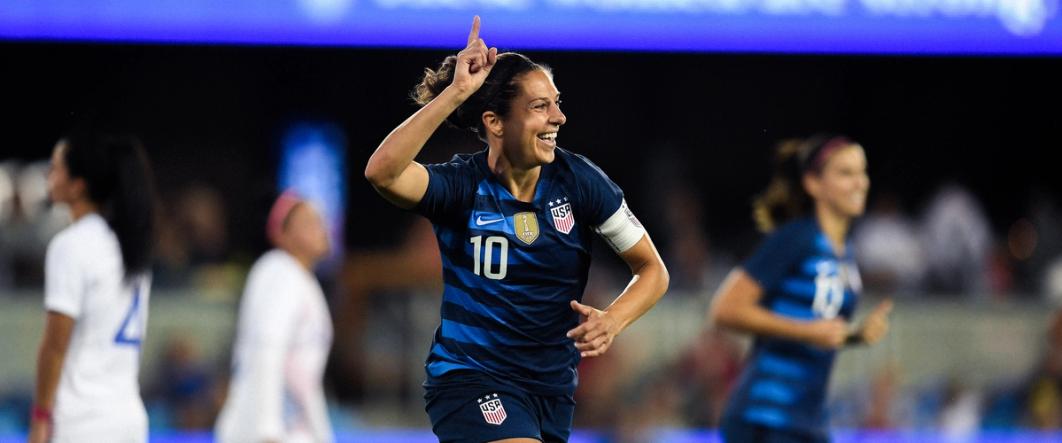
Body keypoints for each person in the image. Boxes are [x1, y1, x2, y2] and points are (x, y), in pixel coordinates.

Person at [363, 16, 670, 443]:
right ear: (495, 123)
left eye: (557, 103)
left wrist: (613, 320)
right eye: (540, 107)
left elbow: (652, 270)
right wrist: (455, 93)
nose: (559, 117)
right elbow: (382, 173)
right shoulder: (461, 186)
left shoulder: (580, 183)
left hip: (550, 390)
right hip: (470, 378)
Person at [709, 135, 893, 443]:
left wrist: (854, 336)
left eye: (862, 172)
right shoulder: (797, 238)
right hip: (765, 415)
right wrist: (808, 332)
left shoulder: (845, 250)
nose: (860, 183)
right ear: (813, 184)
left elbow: (816, 327)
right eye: (846, 173)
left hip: (807, 418)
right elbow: (725, 309)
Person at [29, 133, 157, 443]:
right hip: (129, 419)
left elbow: (55, 345)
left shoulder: (71, 245)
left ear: (78, 185)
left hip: (82, 421)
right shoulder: (131, 247)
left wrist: (41, 417)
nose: (48, 175)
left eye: (56, 168)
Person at [214, 191, 334, 443]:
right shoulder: (279, 272)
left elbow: (305, 378)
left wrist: (322, 434)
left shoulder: (304, 280)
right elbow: (267, 349)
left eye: (319, 221)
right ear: (282, 234)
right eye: (308, 223)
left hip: (292, 426)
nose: (319, 229)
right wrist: (268, 430)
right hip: (263, 429)